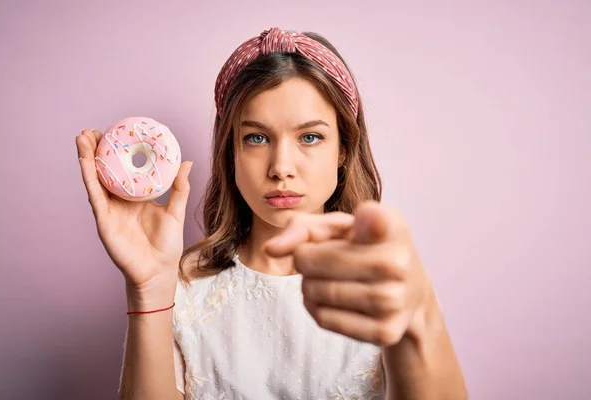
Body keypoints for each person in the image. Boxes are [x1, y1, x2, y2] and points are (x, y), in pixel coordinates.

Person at [76, 27, 468, 400]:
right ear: (231, 153)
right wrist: (149, 288)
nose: (281, 166)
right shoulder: (185, 286)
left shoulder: (381, 278)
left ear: (344, 149)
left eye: (310, 137)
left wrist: (420, 318)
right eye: (257, 138)